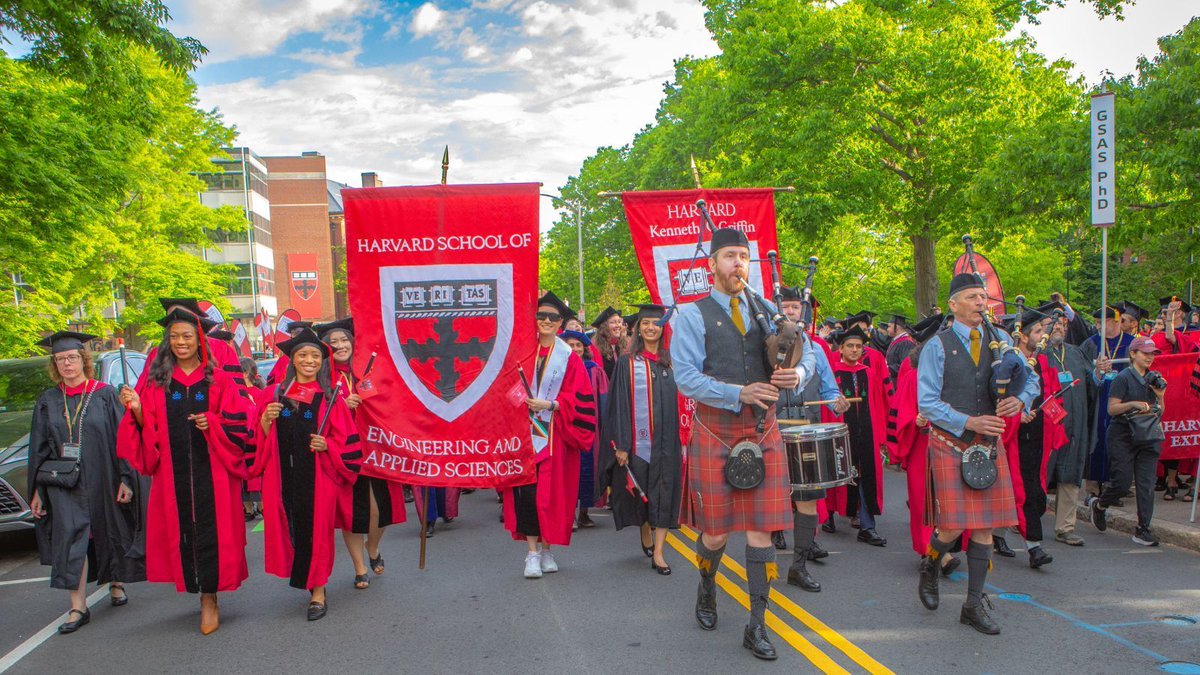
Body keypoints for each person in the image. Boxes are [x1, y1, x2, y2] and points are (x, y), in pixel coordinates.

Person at [671, 227, 816, 660]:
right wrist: (739, 393)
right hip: (717, 429)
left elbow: (806, 352)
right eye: (730, 256)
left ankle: (757, 624)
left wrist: (799, 374)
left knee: (761, 534)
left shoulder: (767, 310)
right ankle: (707, 583)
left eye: (744, 256)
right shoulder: (693, 315)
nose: (739, 264)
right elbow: (686, 377)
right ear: (712, 263)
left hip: (762, 430)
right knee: (715, 536)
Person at [915, 273, 1038, 635]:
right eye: (971, 297)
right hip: (951, 442)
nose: (980, 303)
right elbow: (928, 403)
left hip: (987, 447)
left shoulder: (1001, 340)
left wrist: (1022, 398)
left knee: (984, 527)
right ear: (953, 305)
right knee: (952, 526)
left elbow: (1031, 379)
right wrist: (971, 421)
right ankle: (930, 564)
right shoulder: (936, 347)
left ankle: (972, 605)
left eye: (983, 296)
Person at [117, 303, 251, 635]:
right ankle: (198, 589)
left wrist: (214, 423)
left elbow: (240, 424)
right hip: (172, 473)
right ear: (167, 341)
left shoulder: (217, 378)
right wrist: (135, 409)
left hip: (214, 472)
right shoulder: (157, 381)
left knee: (213, 531)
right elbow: (147, 425)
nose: (181, 341)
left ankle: (210, 597)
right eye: (175, 336)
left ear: (199, 339)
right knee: (183, 531)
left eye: (187, 335)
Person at [28, 331, 147, 634]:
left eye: (71, 358)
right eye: (60, 360)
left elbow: (122, 440)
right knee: (70, 537)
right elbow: (39, 448)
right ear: (55, 365)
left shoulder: (104, 394)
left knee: (107, 529)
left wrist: (126, 478)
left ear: (83, 360)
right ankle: (77, 606)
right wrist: (38, 490)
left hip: (102, 475)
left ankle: (116, 581)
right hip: (63, 483)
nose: (67, 364)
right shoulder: (48, 401)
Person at [254, 327, 361, 620]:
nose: (309, 360)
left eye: (315, 355)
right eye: (303, 355)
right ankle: (307, 579)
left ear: (322, 362)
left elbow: (348, 441)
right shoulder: (274, 394)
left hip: (319, 478)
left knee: (318, 533)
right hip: (283, 478)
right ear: (293, 360)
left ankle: (318, 590)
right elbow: (259, 442)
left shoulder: (331, 398)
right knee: (293, 529)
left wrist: (328, 445)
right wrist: (265, 420)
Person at [502, 291, 597, 578]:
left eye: (552, 317)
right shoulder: (520, 352)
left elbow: (581, 398)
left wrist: (553, 404)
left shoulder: (569, 358)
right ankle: (531, 554)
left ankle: (546, 550)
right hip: (523, 436)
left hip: (555, 435)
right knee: (528, 495)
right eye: (541, 316)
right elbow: (502, 389)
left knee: (550, 497)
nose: (546, 321)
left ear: (560, 324)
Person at [316, 318, 406, 589]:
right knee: (350, 513)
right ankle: (359, 567)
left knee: (379, 510)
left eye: (344, 340)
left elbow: (391, 402)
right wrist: (341, 405)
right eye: (333, 342)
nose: (340, 345)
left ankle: (373, 546)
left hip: (374, 448)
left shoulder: (367, 370)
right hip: (342, 453)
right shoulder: (322, 377)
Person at [771, 286, 848, 593]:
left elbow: (829, 390)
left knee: (809, 501)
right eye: (786, 307)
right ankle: (763, 562)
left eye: (795, 308)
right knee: (770, 497)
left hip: (807, 431)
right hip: (771, 431)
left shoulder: (816, 350)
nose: (791, 312)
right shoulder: (762, 345)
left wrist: (837, 402)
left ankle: (798, 566)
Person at [599, 304, 684, 574]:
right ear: (637, 328)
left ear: (663, 327)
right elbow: (619, 406)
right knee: (643, 493)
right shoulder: (627, 362)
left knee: (665, 493)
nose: (651, 328)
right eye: (645, 323)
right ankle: (645, 529)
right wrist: (622, 445)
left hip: (669, 443)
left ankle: (659, 553)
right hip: (638, 443)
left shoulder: (673, 362)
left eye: (656, 323)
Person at [890, 315, 964, 575]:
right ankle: (932, 553)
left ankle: (939, 549)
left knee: (946, 500)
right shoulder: (913, 374)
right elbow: (902, 413)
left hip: (951, 442)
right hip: (922, 444)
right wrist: (916, 420)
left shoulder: (954, 370)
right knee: (924, 501)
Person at [1086, 337, 1167, 546]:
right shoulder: (1123, 378)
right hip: (1123, 434)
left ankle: (1143, 529)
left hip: (1148, 436)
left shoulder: (1154, 379)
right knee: (1121, 483)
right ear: (1133, 354)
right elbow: (1112, 409)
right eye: (1145, 353)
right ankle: (1100, 506)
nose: (1150, 357)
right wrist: (1133, 404)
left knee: (1146, 484)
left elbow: (1159, 412)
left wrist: (1160, 396)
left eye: (1152, 353)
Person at [1009, 307, 1069, 568]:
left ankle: (1005, 536)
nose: (1043, 335)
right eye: (1037, 331)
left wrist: (1055, 420)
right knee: (1019, 490)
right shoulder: (1007, 361)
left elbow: (1053, 395)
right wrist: (1015, 417)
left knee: (1033, 490)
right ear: (1022, 336)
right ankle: (1034, 547)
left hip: (1038, 434)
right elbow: (995, 399)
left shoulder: (1042, 362)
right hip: (1012, 435)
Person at [825, 326, 890, 547]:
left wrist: (881, 437)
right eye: (850, 346)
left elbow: (878, 405)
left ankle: (867, 526)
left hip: (867, 433)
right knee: (836, 473)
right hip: (841, 433)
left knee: (866, 477)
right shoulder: (832, 373)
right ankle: (828, 517)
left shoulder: (868, 373)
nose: (854, 350)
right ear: (841, 349)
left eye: (859, 347)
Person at [1042, 314, 1094, 546]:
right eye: (1053, 325)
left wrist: (1098, 375)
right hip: (1046, 424)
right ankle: (1024, 519)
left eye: (1062, 324)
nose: (1058, 328)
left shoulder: (1075, 353)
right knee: (1040, 471)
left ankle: (1065, 527)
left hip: (1075, 422)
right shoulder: (1038, 355)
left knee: (1071, 473)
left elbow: (1091, 384)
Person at [1079, 306, 1135, 492]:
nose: (1098, 326)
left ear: (1116, 321)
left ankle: (1116, 487)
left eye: (1102, 322)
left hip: (1122, 400)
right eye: (1096, 322)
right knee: (1095, 438)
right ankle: (1093, 487)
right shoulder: (1090, 344)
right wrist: (1096, 372)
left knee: (1120, 442)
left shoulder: (1132, 344)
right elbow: (1082, 372)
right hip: (1097, 399)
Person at [561, 329, 609, 529]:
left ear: (584, 348)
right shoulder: (558, 368)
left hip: (590, 429)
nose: (574, 349)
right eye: (570, 345)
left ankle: (584, 513)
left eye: (578, 345)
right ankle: (569, 515)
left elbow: (604, 399)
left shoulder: (594, 370)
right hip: (565, 427)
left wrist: (606, 425)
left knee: (589, 470)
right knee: (567, 471)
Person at [239, 356, 264, 522]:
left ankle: (261, 506)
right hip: (242, 441)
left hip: (255, 440)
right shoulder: (234, 393)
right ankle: (248, 508)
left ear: (246, 373)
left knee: (257, 474)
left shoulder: (258, 394)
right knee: (243, 474)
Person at [591, 306, 626, 380]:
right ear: (604, 327)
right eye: (613, 322)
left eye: (619, 322)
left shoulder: (626, 345)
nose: (618, 325)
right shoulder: (595, 348)